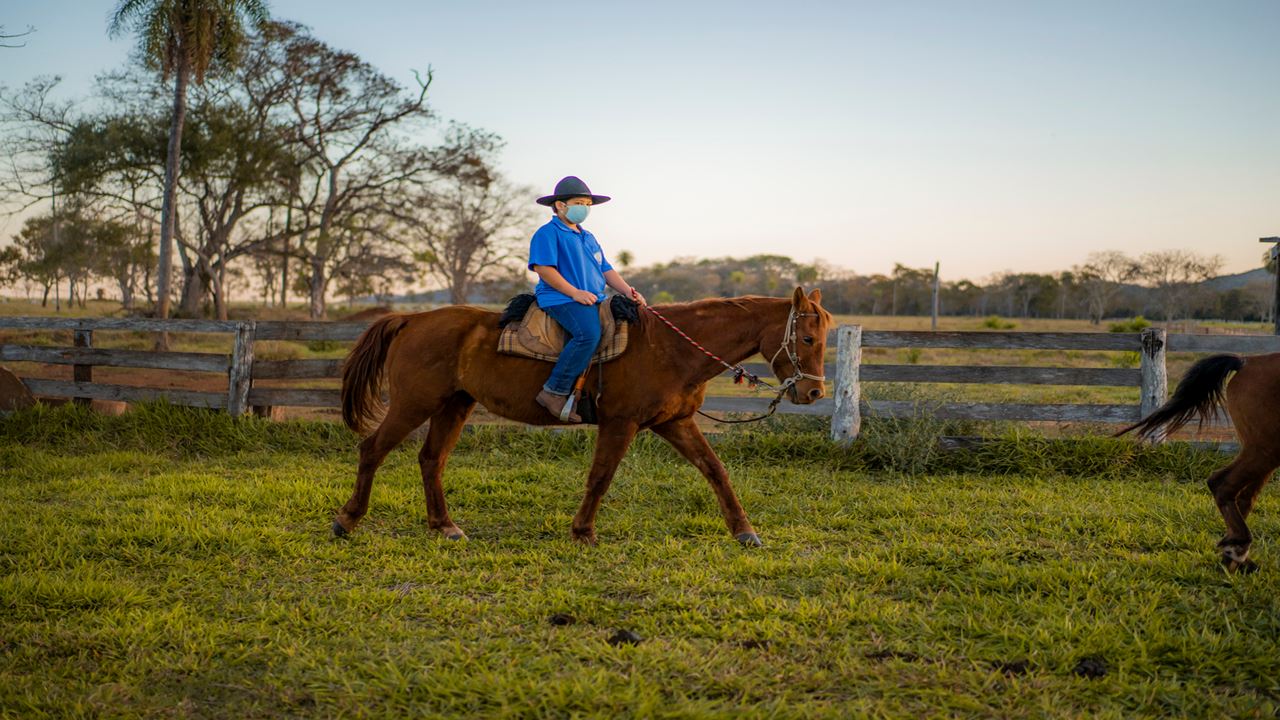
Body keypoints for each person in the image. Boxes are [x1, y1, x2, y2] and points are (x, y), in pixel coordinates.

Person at [528, 176, 646, 422]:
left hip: (593, 298)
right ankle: (554, 391)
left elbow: (606, 269)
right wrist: (574, 292)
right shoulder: (548, 233)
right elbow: (543, 269)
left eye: (588, 204)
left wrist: (627, 290)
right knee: (588, 334)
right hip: (559, 298)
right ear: (560, 205)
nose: (585, 208)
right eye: (579, 202)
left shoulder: (587, 236)